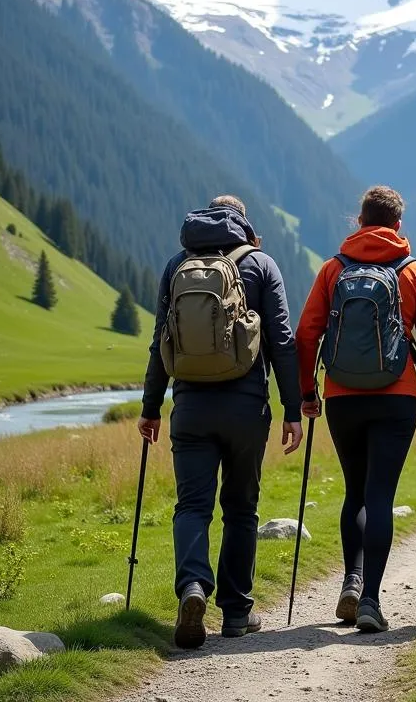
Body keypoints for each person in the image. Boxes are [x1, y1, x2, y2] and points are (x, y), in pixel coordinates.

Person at [138, 195, 303, 650]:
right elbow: (283, 341)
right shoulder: (260, 264)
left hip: (189, 408)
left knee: (192, 506)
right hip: (246, 409)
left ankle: (192, 588)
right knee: (241, 509)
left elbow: (160, 343)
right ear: (242, 223)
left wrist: (151, 408)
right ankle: (235, 613)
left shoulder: (177, 266)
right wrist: (294, 407)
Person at [296, 186, 416, 633]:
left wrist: (309, 392)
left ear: (359, 221)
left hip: (342, 396)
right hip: (398, 396)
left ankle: (350, 579)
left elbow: (306, 335)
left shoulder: (332, 270)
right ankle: (371, 601)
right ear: (397, 225)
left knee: (355, 492)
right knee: (381, 495)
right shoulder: (414, 271)